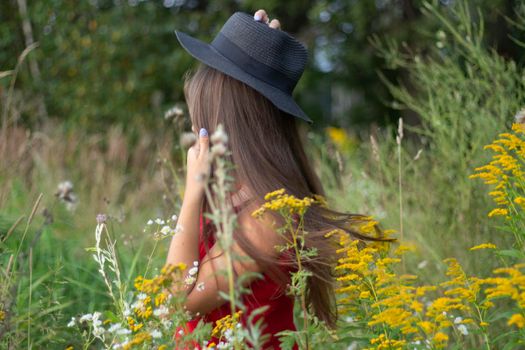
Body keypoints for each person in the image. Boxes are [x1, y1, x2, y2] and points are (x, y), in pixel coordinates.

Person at [165, 9, 381, 349]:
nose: (195, 137)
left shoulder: (268, 216)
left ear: (229, 126)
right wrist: (258, 53)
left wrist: (191, 194)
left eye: (200, 124)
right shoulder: (234, 193)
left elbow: (175, 303)